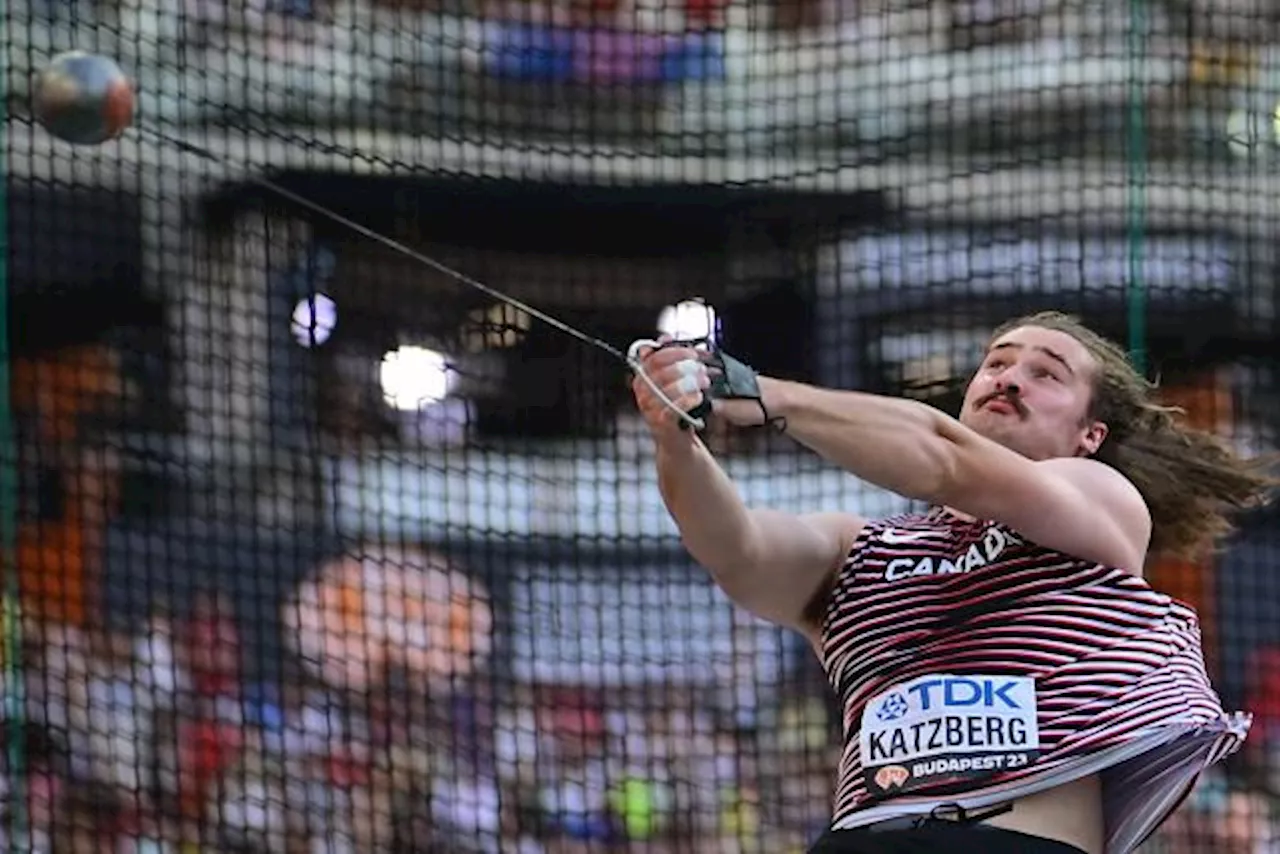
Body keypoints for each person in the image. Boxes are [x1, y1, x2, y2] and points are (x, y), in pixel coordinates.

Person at [629, 311, 1276, 854]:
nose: (1010, 378)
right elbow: (736, 551)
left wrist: (766, 394)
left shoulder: (1100, 501)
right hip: (864, 837)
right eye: (997, 364)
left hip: (1013, 841)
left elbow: (942, 459)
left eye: (1045, 372)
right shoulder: (862, 548)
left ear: (1090, 435)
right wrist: (675, 439)